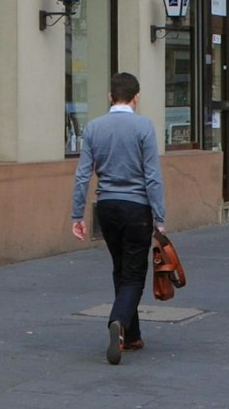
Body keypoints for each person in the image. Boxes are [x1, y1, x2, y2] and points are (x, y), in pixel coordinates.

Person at [70, 72, 167, 366]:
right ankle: (118, 320)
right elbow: (152, 176)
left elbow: (83, 174)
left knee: (121, 267)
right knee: (135, 274)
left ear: (110, 97)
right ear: (136, 97)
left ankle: (131, 335)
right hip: (137, 207)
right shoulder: (144, 127)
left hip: (107, 207)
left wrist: (77, 213)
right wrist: (160, 217)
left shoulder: (94, 127)